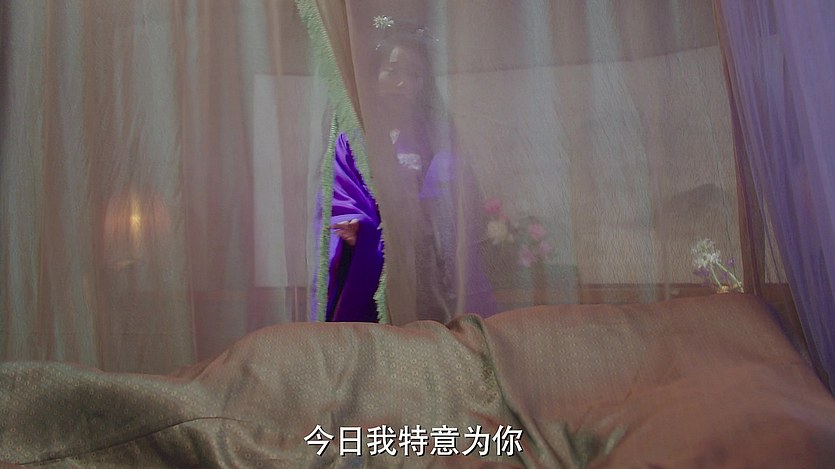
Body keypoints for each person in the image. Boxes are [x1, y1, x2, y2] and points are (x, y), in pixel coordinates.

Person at [313, 19, 497, 324]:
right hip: (369, 259)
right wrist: (354, 221)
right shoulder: (353, 135)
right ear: (373, 75)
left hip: (425, 266)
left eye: (413, 75)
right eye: (393, 71)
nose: (403, 83)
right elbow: (337, 190)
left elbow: (451, 197)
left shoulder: (434, 136)